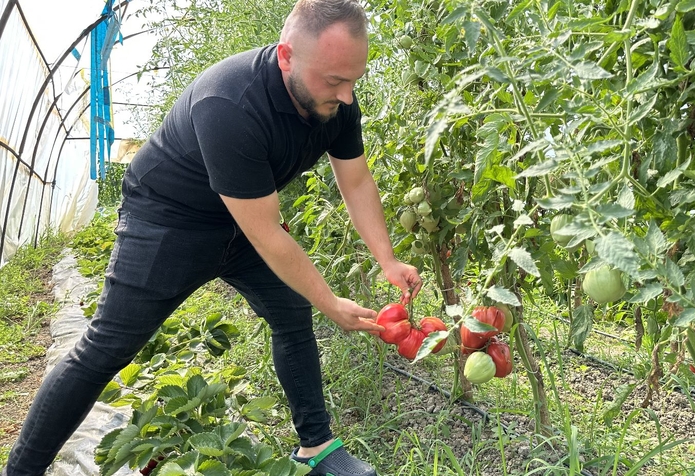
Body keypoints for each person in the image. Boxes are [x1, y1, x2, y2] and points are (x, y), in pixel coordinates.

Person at [2, 0, 421, 475]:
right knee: (107, 347)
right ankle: (22, 469)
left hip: (240, 221)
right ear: (287, 56)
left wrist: (387, 259)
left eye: (353, 80)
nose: (346, 96)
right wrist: (332, 303)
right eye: (333, 81)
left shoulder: (336, 101)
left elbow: (357, 180)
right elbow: (265, 232)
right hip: (166, 221)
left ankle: (316, 447)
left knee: (291, 312)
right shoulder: (230, 101)